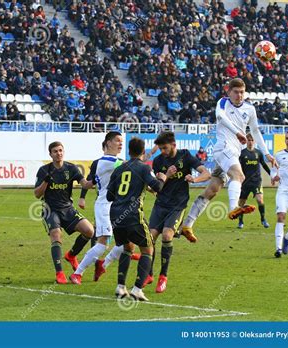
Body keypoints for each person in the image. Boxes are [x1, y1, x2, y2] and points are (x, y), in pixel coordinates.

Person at [179, 78, 276, 242]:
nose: (239, 95)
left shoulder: (250, 109)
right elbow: (220, 117)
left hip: (231, 153)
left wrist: (266, 153)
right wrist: (238, 132)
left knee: (212, 190)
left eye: (242, 92)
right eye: (236, 92)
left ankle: (186, 225)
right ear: (229, 91)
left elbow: (255, 131)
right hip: (223, 148)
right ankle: (234, 208)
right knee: (239, 176)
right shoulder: (223, 102)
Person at [146, 132, 210, 293]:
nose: (163, 152)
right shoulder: (159, 161)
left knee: (167, 236)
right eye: (160, 148)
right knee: (150, 238)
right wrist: (165, 177)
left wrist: (194, 180)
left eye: (165, 148)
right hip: (160, 204)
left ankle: (163, 277)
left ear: (174, 145)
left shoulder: (185, 156)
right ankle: (149, 274)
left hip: (177, 205)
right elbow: (157, 186)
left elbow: (206, 173)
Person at [107, 137, 166, 301]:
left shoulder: (119, 169)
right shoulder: (143, 168)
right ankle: (137, 289)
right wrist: (163, 177)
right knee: (148, 249)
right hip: (133, 215)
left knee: (127, 248)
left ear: (129, 150)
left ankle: (120, 287)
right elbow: (157, 187)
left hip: (115, 215)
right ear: (143, 151)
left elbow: (109, 195)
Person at [34, 142, 95, 284]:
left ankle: (71, 255)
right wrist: (45, 182)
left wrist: (95, 180)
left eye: (60, 150)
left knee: (90, 231)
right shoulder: (44, 170)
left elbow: (85, 184)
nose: (58, 153)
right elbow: (37, 194)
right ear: (50, 154)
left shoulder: (71, 168)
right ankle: (59, 273)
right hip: (50, 209)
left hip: (68, 208)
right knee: (56, 235)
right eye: (55, 151)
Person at [70, 132, 126, 284]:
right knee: (103, 242)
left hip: (118, 206)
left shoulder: (116, 162)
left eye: (122, 141)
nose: (121, 144)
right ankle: (78, 273)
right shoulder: (109, 162)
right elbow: (130, 167)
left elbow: (89, 182)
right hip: (105, 206)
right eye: (117, 141)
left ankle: (103, 264)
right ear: (108, 143)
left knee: (128, 242)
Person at [237, 133, 272, 229]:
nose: (250, 142)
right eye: (249, 140)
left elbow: (264, 165)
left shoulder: (259, 153)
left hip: (256, 181)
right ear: (246, 141)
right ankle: (240, 222)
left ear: (255, 141)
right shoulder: (242, 153)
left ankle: (263, 219)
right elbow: (237, 167)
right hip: (244, 182)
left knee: (260, 200)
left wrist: (271, 175)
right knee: (241, 203)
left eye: (252, 140)